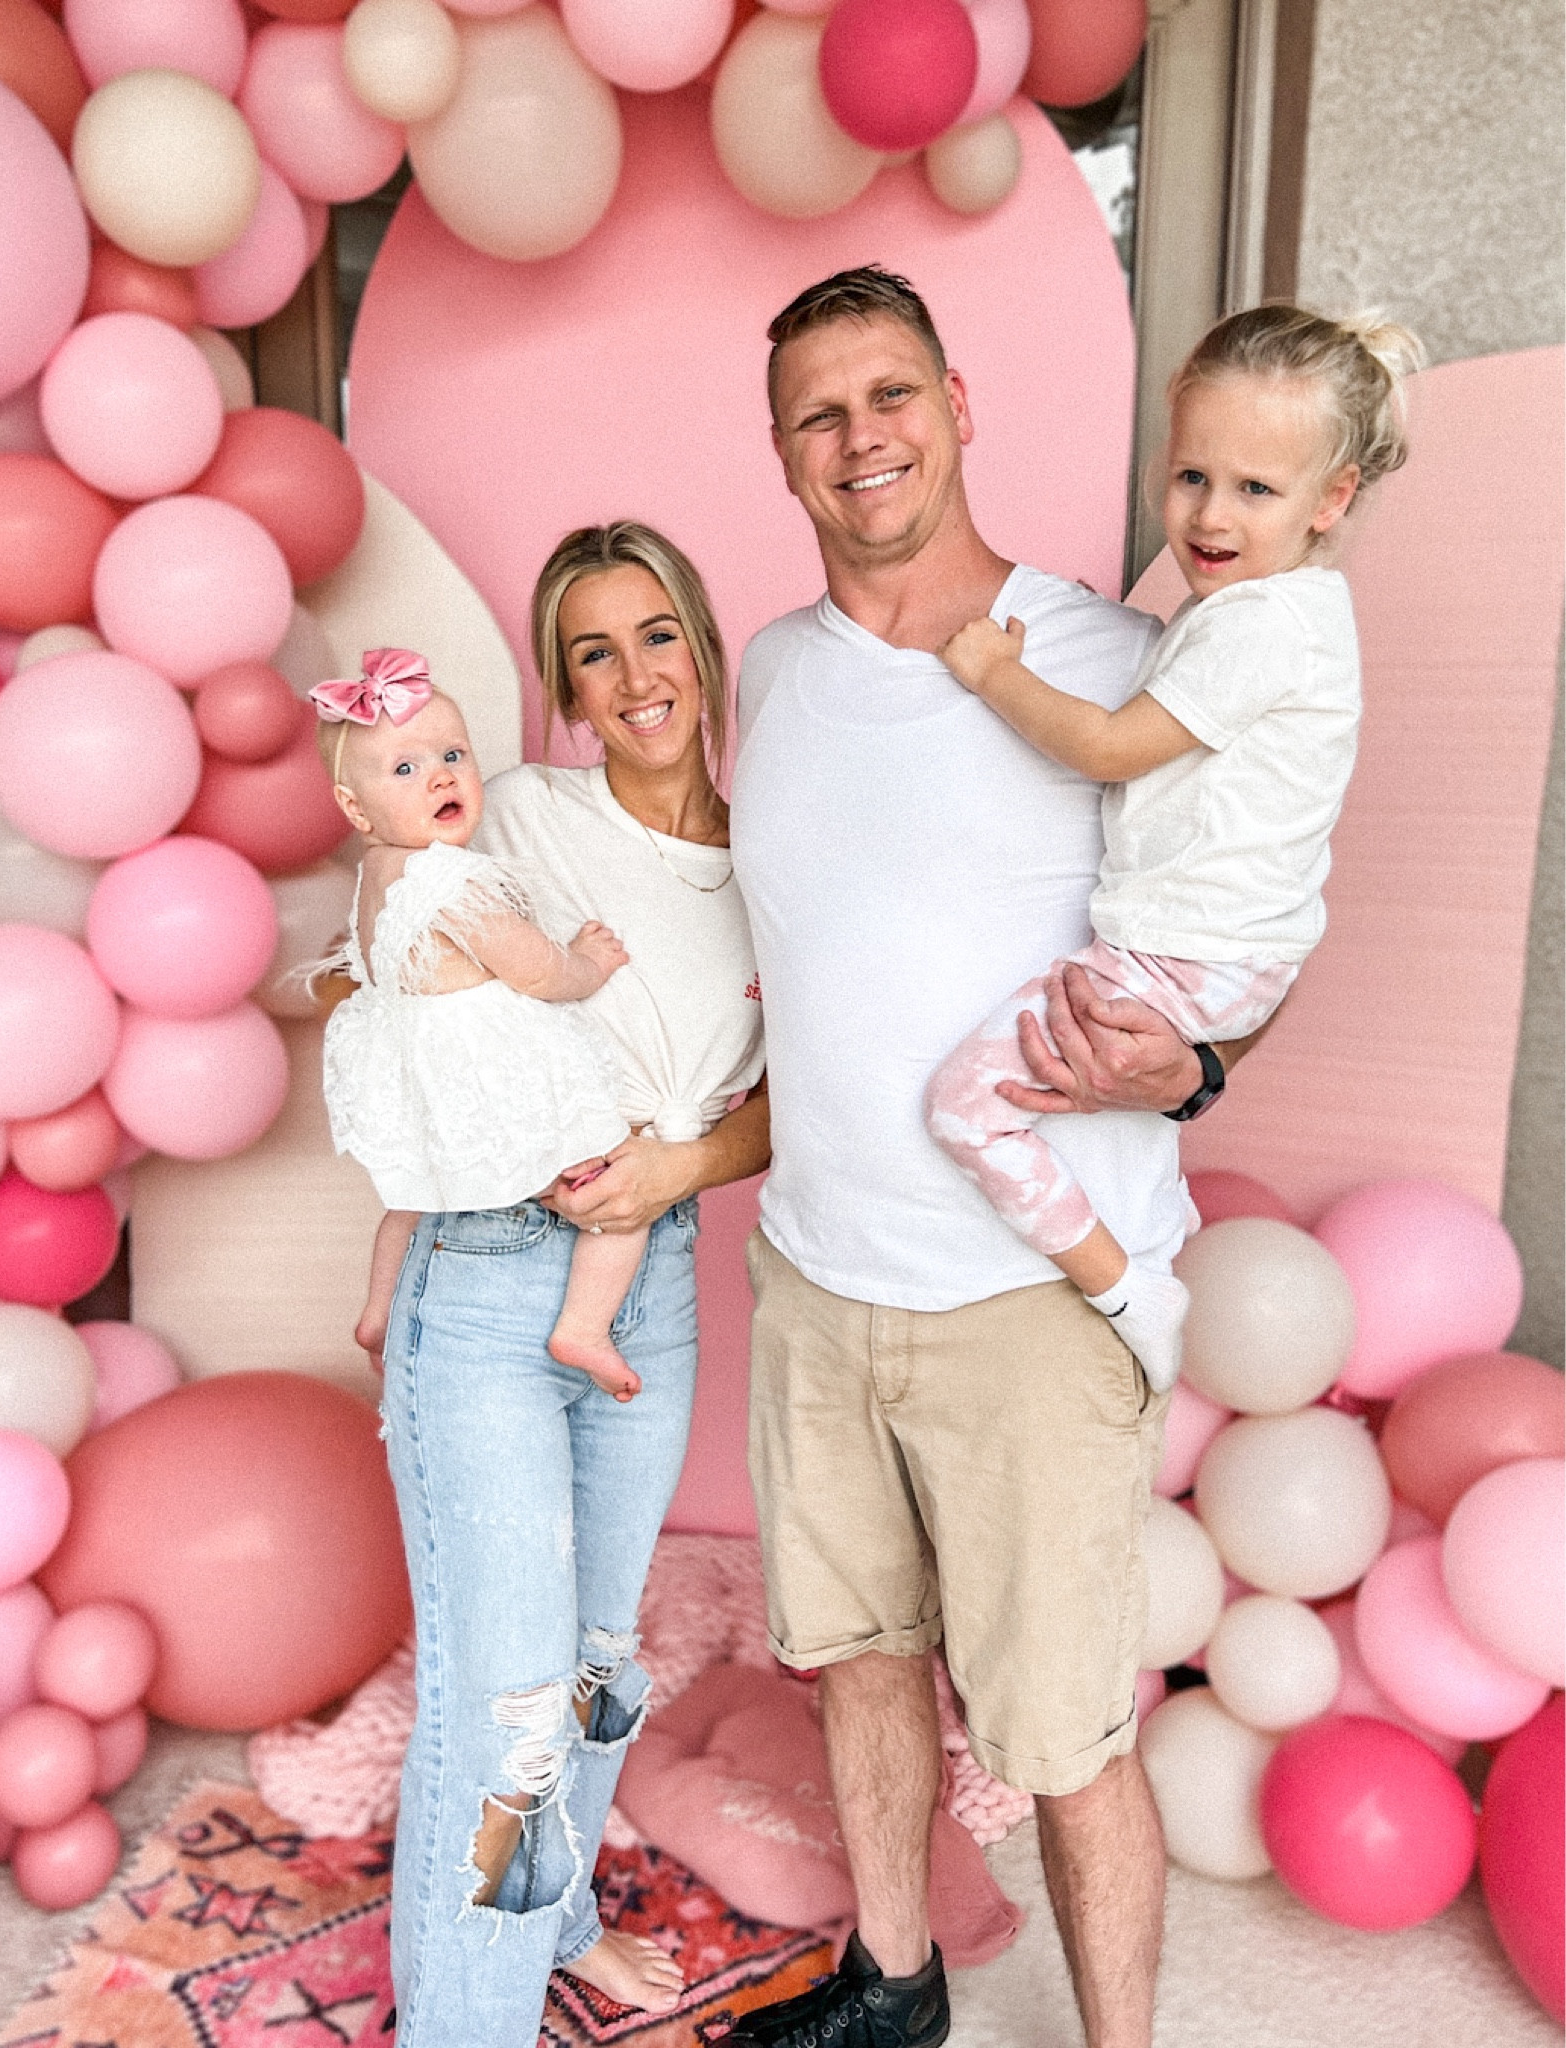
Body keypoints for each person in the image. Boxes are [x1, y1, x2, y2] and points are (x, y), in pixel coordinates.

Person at [725, 266, 1262, 2048]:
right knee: (857, 1655)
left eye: (888, 394)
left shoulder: (1111, 660)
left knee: (1061, 1734)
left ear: (957, 402)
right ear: (782, 452)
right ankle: (894, 1983)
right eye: (818, 411)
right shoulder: (772, 672)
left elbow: (1231, 939)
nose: (857, 435)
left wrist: (1188, 1069)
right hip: (815, 1274)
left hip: (1027, 1297)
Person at [350, 525, 767, 2047]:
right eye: (594, 650)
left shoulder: (776, 842)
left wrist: (672, 1175)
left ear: (704, 643)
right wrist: (419, 1218)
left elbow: (805, 1089)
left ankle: (560, 1916)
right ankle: (471, 2020)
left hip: (647, 1278)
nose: (635, 676)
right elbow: (394, 977)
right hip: (491, 1278)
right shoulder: (517, 810)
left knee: (596, 1669)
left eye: (656, 634)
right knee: (508, 1700)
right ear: (562, 685)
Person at [925, 304, 1424, 1395]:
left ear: (1330, 501)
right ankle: (1138, 1241)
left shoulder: (1258, 627)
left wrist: (992, 671)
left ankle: (1125, 1286)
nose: (1209, 513)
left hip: (1186, 961)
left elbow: (1107, 747)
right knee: (1049, 1087)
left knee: (961, 1107)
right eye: (1193, 474)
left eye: (1256, 489)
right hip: (1236, 955)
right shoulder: (1281, 611)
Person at [313, 649, 657, 1401]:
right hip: (490, 1088)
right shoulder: (443, 878)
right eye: (404, 769)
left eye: (452, 754)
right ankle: (585, 1325)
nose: (440, 775)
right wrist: (586, 963)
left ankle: (378, 1309)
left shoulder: (378, 875)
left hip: (426, 1087)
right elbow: (535, 969)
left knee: (416, 1194)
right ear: (354, 805)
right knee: (619, 1182)